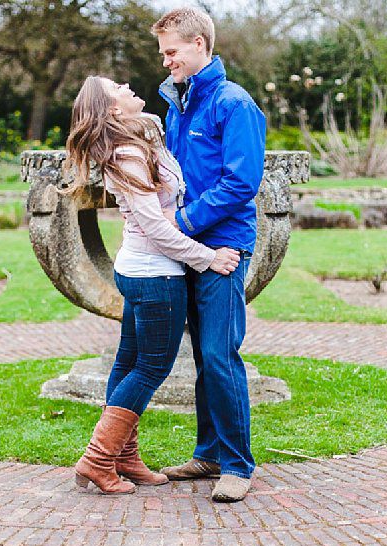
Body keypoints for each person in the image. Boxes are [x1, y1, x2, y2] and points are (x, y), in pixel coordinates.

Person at [64, 75, 243, 495]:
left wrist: (147, 124)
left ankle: (124, 458)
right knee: (151, 367)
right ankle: (97, 460)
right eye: (117, 87)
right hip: (155, 274)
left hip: (141, 270)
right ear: (111, 109)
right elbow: (156, 228)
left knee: (127, 363)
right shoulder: (127, 154)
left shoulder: (137, 139)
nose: (127, 84)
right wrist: (208, 257)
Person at [150, 7, 267, 502]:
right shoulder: (178, 103)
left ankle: (238, 466)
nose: (166, 62)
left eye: (172, 52)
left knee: (220, 353)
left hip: (222, 246)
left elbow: (241, 181)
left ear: (200, 45)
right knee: (201, 355)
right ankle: (209, 454)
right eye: (163, 54)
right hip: (191, 248)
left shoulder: (233, 103)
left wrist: (182, 224)